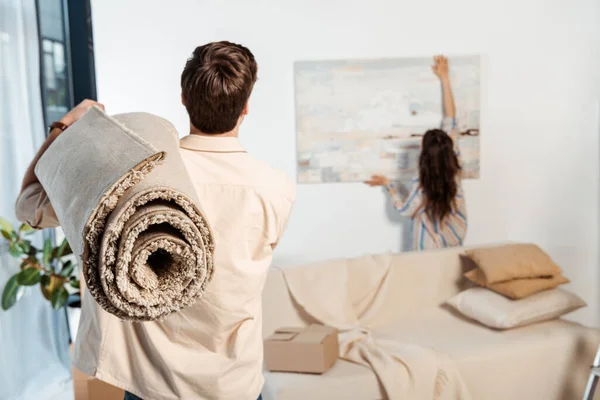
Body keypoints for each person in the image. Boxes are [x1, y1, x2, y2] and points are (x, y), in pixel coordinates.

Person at [15, 41, 295, 400]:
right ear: (246, 108)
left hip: (152, 387)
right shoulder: (275, 188)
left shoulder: (130, 175)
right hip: (233, 387)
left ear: (183, 97)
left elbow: (29, 206)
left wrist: (64, 125)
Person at [364, 55, 467, 250]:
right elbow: (451, 119)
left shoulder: (422, 185)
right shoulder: (454, 163)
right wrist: (444, 79)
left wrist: (389, 185)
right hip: (455, 242)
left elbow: (405, 209)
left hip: (429, 248)